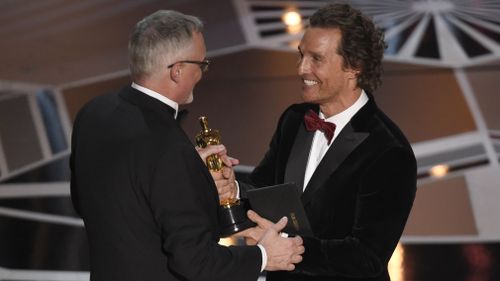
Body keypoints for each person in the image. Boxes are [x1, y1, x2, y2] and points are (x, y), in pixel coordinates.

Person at [69, 10, 304, 281]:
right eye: (201, 64)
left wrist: (193, 175)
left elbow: (91, 201)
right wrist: (264, 255)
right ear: (178, 70)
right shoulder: (168, 145)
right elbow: (196, 263)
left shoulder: (92, 113)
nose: (202, 72)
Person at [214, 3, 417, 281]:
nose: (301, 68)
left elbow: (366, 257)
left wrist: (287, 248)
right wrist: (231, 187)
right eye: (301, 55)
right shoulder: (295, 119)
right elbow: (263, 189)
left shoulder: (389, 151)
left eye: (316, 59)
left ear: (354, 66)